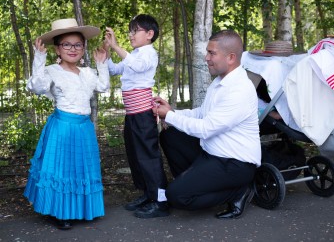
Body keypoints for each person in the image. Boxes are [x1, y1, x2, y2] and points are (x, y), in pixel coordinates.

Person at [153, 30, 261, 219]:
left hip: (234, 164)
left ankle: (238, 192)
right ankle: (194, 184)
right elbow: (201, 114)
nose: (206, 57)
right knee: (170, 136)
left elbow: (205, 128)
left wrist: (169, 116)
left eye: (212, 53)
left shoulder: (239, 90)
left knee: (175, 196)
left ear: (231, 57)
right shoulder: (220, 81)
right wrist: (172, 112)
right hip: (211, 153)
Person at [23, 18, 110, 230]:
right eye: (66, 44)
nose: (72, 49)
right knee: (61, 169)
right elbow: (36, 86)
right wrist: (39, 58)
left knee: (81, 169)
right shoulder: (52, 71)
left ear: (84, 48)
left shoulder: (88, 73)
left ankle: (81, 209)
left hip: (84, 128)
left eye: (77, 44)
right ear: (57, 49)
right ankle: (60, 212)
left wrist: (101, 63)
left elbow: (104, 86)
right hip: (62, 127)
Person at [103, 14, 169, 218]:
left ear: (149, 34)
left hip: (143, 115)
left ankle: (161, 201)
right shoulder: (133, 54)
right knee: (135, 155)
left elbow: (138, 66)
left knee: (148, 157)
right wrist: (106, 52)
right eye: (130, 31)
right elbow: (114, 70)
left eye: (135, 31)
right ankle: (148, 194)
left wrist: (116, 47)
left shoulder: (149, 54)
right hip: (131, 114)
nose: (131, 35)